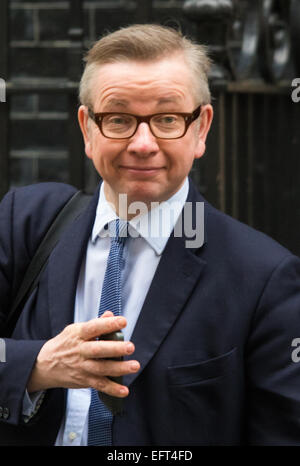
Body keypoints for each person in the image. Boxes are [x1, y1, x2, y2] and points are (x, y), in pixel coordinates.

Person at [0, 23, 300, 446]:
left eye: (166, 119)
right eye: (119, 118)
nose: (143, 143)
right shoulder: (24, 224)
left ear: (201, 128)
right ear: (87, 129)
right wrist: (38, 364)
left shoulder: (263, 277)